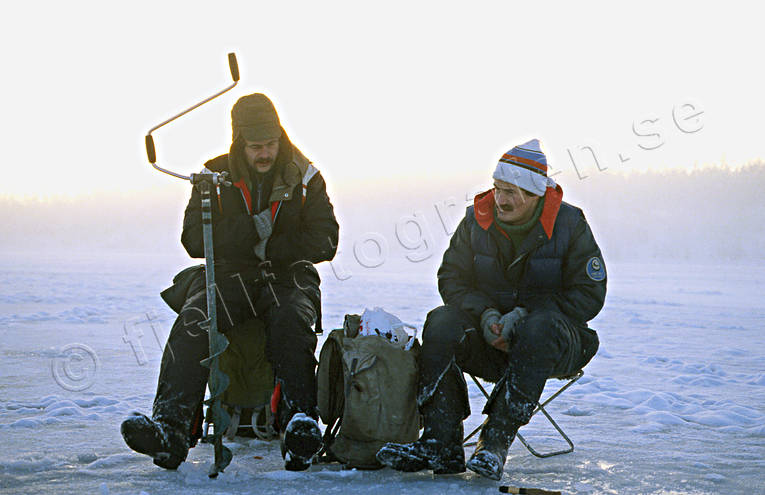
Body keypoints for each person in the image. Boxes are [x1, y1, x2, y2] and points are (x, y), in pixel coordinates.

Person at [121, 93, 339, 472]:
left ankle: (298, 427)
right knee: (194, 321)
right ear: (239, 141)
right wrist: (250, 230)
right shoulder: (212, 177)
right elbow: (192, 240)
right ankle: (171, 430)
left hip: (288, 276)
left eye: (271, 144)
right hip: (231, 277)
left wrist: (271, 243)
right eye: (256, 146)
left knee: (291, 321)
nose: (265, 153)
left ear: (280, 138)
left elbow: (326, 239)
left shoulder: (306, 177)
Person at [376, 139, 606, 480]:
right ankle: (441, 441)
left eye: (511, 191)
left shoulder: (570, 224)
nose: (500, 199)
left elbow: (590, 293)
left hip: (553, 343)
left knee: (538, 328)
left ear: (534, 194)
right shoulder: (476, 220)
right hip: (489, 340)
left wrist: (524, 315)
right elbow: (451, 279)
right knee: (440, 321)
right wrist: (486, 315)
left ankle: (494, 444)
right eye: (498, 188)